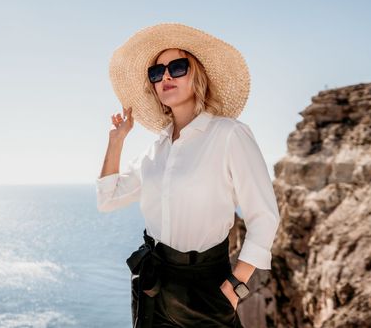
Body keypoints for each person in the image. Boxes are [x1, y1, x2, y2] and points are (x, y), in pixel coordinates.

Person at [96, 23, 281, 328]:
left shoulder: (229, 135)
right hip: (153, 286)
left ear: (198, 75)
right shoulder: (157, 149)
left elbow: (264, 215)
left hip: (206, 288)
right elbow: (108, 198)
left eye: (177, 67)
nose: (165, 76)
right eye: (156, 72)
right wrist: (116, 141)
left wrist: (236, 285)